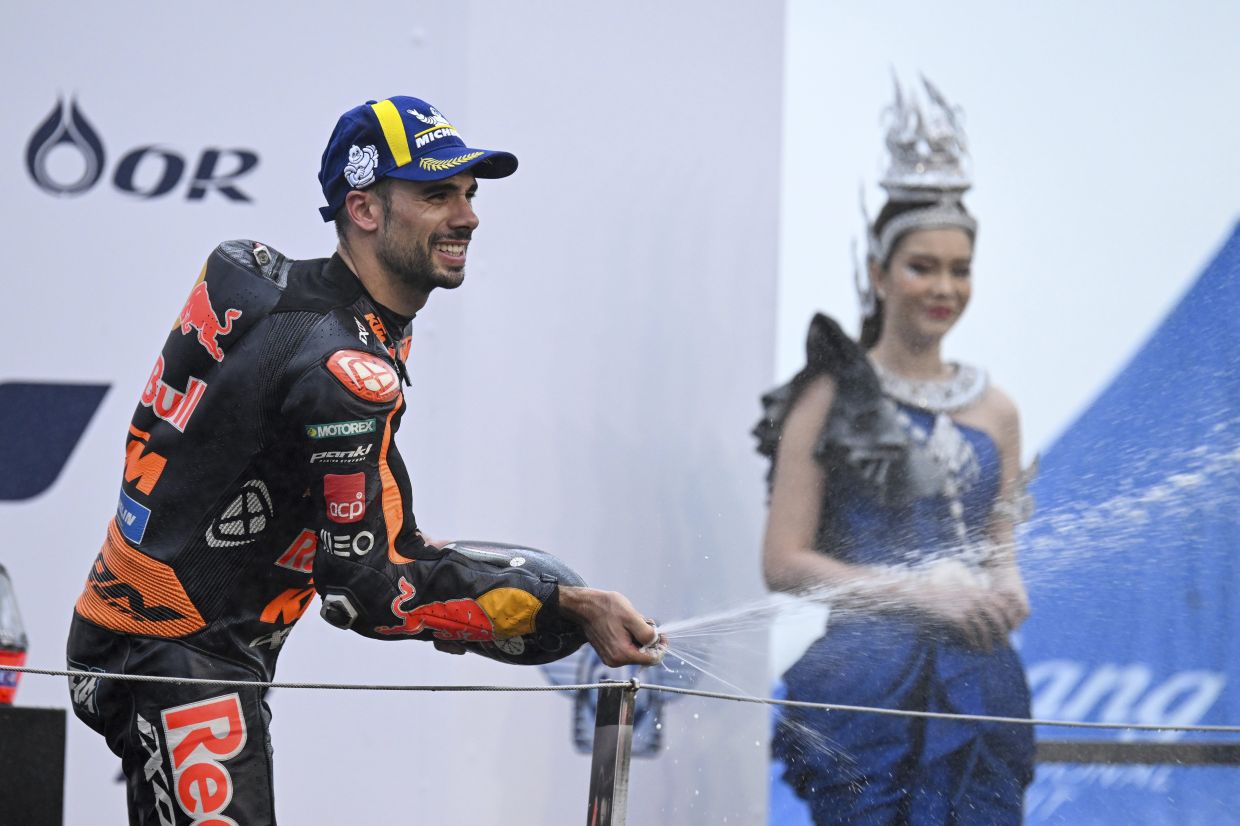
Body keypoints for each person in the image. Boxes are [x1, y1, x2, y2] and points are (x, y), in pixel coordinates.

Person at [66, 95, 664, 826]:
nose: (468, 216)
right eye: (436, 194)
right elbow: (366, 591)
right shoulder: (345, 366)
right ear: (365, 210)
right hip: (178, 656)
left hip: (141, 622)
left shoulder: (254, 274)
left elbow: (372, 530)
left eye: (470, 194)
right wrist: (562, 606)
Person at [756, 78, 1035, 825]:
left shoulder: (997, 409)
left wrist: (1007, 586)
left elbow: (999, 544)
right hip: (867, 685)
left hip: (980, 685)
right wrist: (922, 594)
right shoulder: (827, 397)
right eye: (923, 266)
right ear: (879, 273)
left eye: (959, 268)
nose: (944, 286)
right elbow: (783, 562)